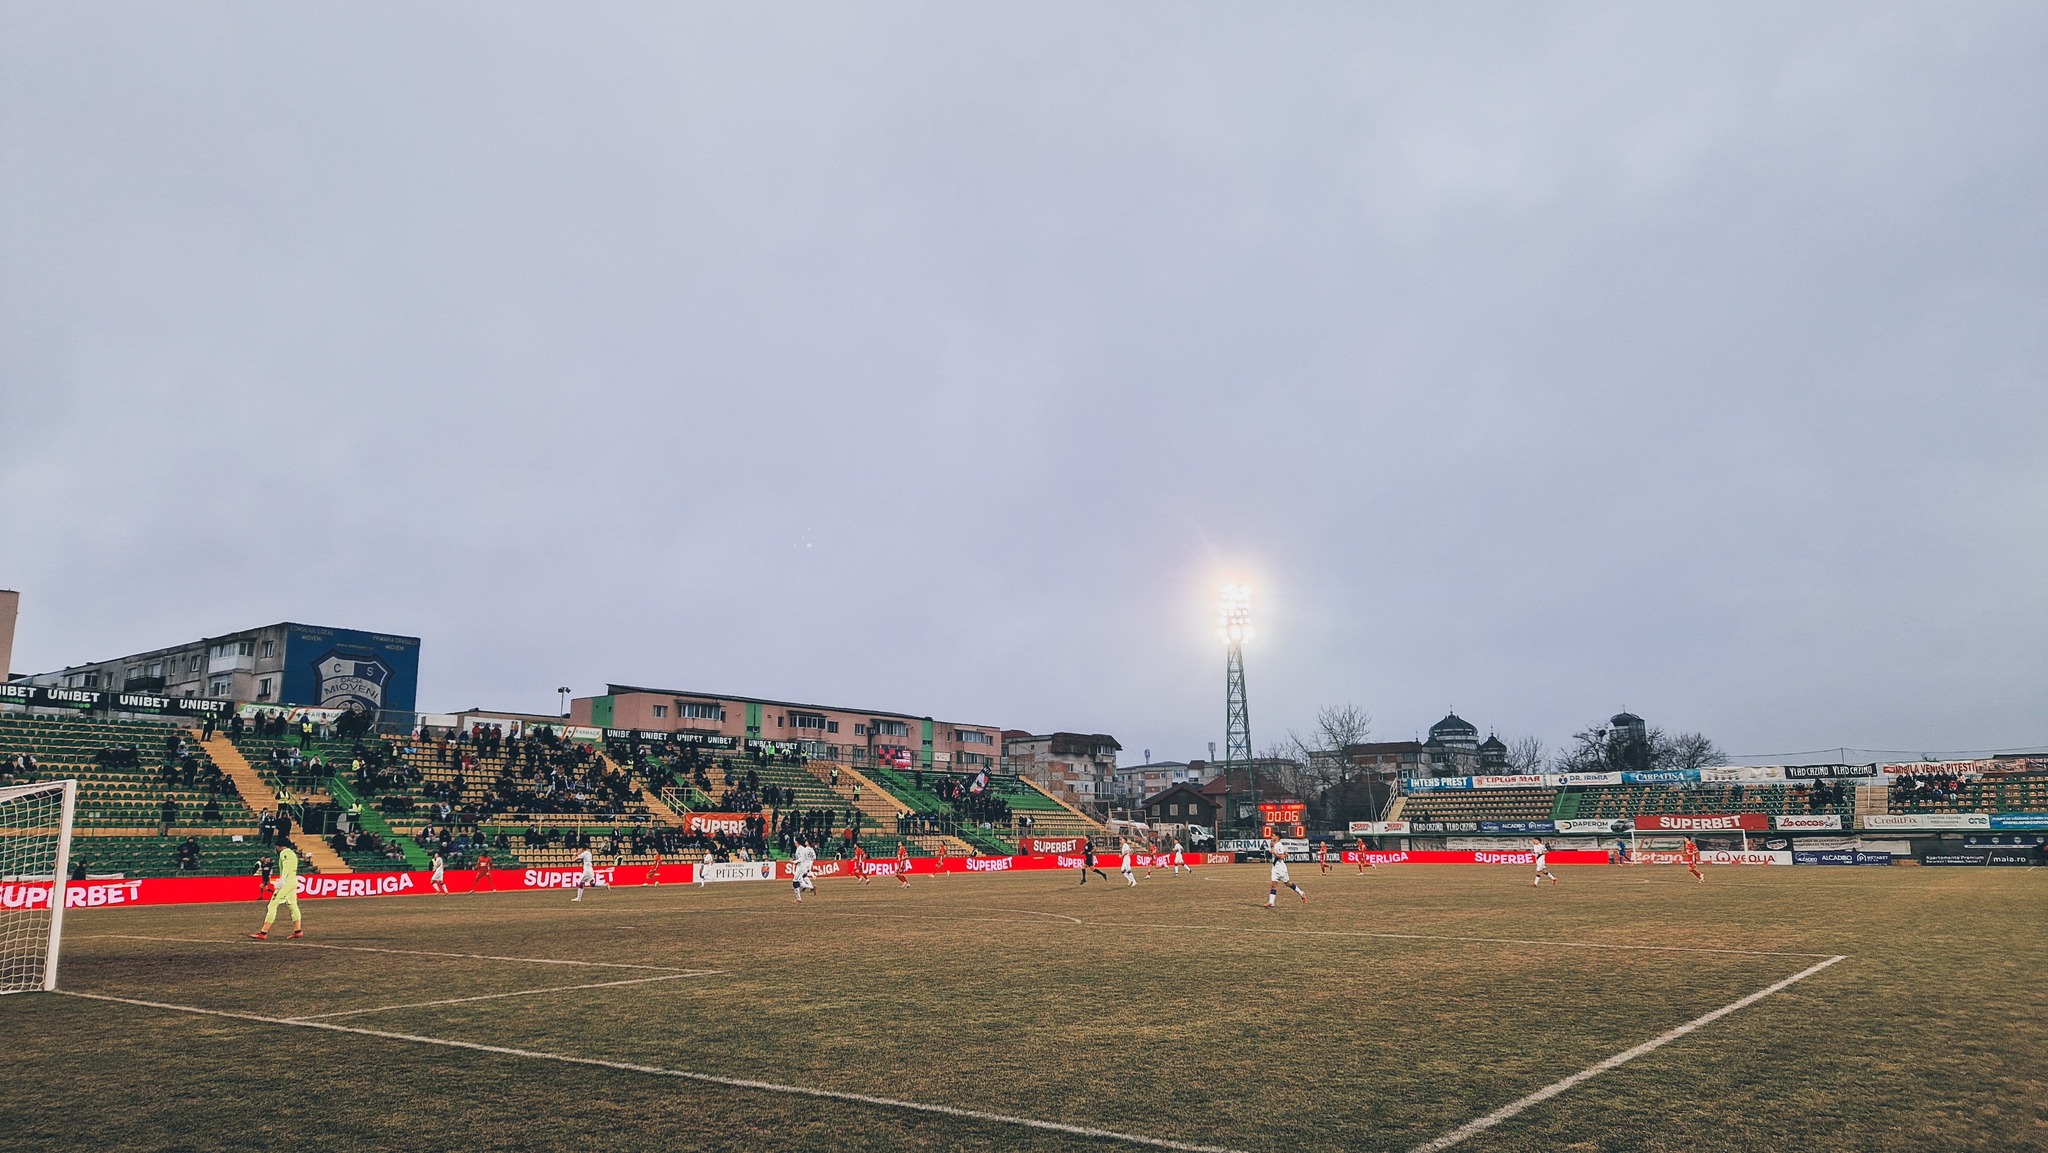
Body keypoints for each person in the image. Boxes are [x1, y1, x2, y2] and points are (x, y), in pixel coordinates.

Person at [249, 845, 302, 939]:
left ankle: (263, 933)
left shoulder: (284, 853)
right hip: (293, 881)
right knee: (292, 905)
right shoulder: (292, 854)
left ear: (278, 847)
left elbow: (286, 867)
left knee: (272, 905)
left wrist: (282, 880)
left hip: (286, 883)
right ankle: (298, 931)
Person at [1265, 835, 1306, 908]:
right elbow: (1286, 854)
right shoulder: (1275, 845)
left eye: (1273, 836)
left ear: (1277, 837)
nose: (1271, 837)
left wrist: (1274, 853)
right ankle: (1271, 902)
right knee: (1273, 885)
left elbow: (1281, 857)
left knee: (1287, 883)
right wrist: (1272, 848)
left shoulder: (1279, 845)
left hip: (1281, 868)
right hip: (1275, 868)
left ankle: (1301, 893)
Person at [792, 839, 817, 904]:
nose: (805, 842)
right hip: (807, 866)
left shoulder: (804, 849)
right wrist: (809, 861)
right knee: (800, 881)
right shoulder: (812, 850)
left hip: (802, 866)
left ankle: (799, 899)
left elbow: (802, 859)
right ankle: (812, 887)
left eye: (806, 841)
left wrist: (794, 861)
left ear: (808, 843)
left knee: (795, 882)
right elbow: (814, 857)